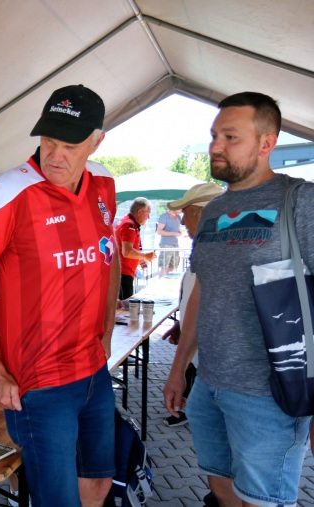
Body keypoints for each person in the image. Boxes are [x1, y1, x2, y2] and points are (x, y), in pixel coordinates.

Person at [0, 84, 120, 507]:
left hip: (94, 370)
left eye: (69, 145)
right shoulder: (9, 193)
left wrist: (107, 329)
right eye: (47, 141)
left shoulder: (105, 184)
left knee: (98, 483)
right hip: (40, 383)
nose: (54, 155)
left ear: (96, 141)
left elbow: (107, 256)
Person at [163, 91, 314, 507]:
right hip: (210, 385)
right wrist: (179, 371)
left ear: (267, 143)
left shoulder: (300, 201)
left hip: (271, 396)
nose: (215, 146)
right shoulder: (213, 211)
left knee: (262, 501)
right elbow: (203, 291)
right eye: (214, 135)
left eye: (231, 136)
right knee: (222, 490)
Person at [160, 183, 224, 428]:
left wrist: (178, 368)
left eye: (186, 213)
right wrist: (181, 323)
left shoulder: (221, 251)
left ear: (202, 212)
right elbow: (196, 296)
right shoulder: (205, 247)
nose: (183, 221)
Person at [114, 197, 157, 299]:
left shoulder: (128, 222)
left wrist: (138, 259)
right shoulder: (129, 225)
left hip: (123, 273)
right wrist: (145, 256)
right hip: (123, 274)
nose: (149, 217)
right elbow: (127, 251)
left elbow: (124, 249)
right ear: (139, 212)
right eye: (147, 214)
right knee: (125, 310)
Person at [156, 208, 183, 277]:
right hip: (166, 245)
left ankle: (168, 283)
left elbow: (178, 230)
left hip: (175, 245)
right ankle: (160, 283)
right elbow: (159, 231)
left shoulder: (178, 217)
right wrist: (174, 233)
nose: (182, 210)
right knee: (164, 267)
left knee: (172, 267)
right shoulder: (164, 217)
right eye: (180, 208)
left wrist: (181, 234)